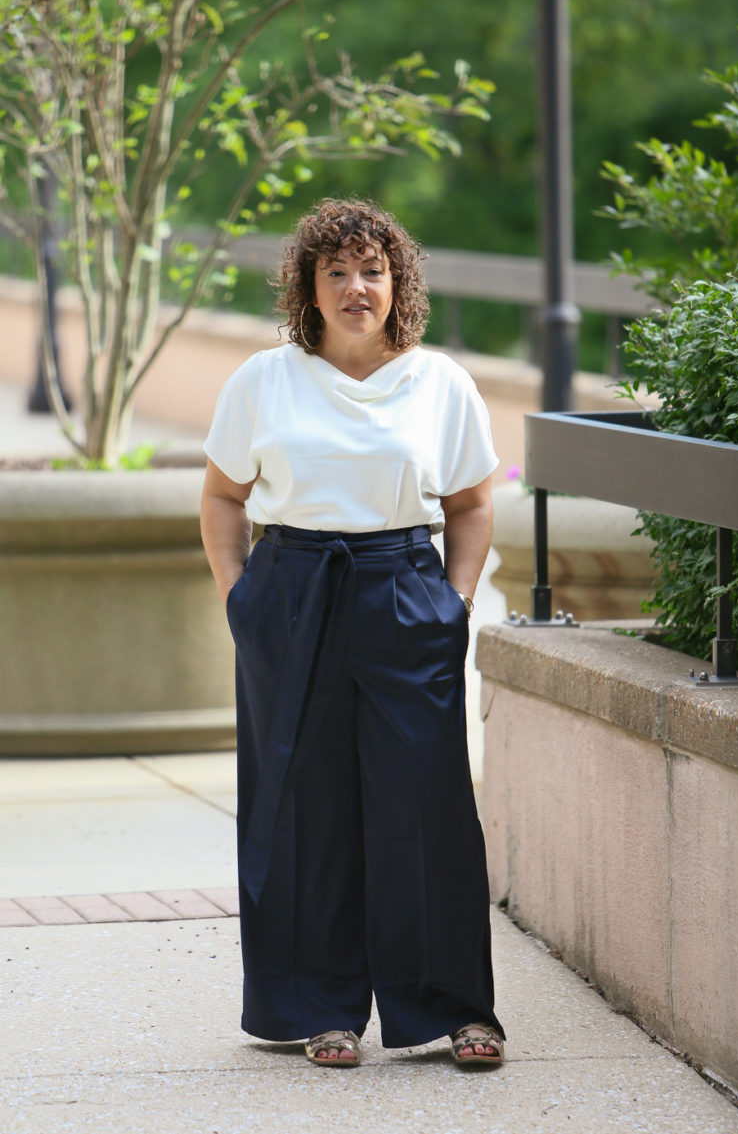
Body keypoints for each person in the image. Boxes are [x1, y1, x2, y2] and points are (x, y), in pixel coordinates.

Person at [200, 197, 506, 1069]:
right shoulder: (265, 378)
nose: (355, 287)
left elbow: (473, 503)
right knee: (306, 805)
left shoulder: (440, 381)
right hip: (293, 592)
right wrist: (241, 601)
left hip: (406, 591)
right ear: (309, 286)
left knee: (428, 803)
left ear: (397, 281)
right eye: (336, 271)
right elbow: (222, 497)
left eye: (371, 270)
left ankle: (454, 1009)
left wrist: (453, 603)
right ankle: (321, 1006)